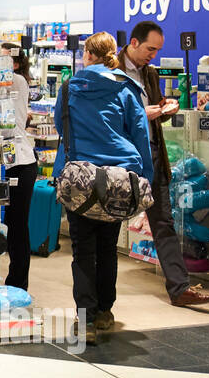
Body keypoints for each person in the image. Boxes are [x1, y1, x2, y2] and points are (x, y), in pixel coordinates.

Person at [53, 32, 156, 344]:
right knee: (107, 247)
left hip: (80, 178)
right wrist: (145, 177)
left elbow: (61, 125)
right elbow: (140, 135)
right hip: (118, 178)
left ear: (87, 55)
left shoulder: (70, 86)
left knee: (82, 249)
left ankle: (85, 319)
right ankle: (104, 312)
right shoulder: (127, 88)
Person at [118, 21, 209, 308]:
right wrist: (141, 114)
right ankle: (100, 300)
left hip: (153, 156)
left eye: (158, 50)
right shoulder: (110, 71)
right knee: (109, 226)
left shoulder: (150, 73)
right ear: (133, 43)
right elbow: (110, 118)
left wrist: (165, 109)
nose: (154, 55)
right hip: (123, 161)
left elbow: (153, 111)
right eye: (150, 49)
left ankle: (180, 288)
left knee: (163, 223)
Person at [1, 45, 38, 289]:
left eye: (1, 60)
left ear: (14, 65)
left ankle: (17, 282)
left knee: (17, 226)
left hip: (20, 163)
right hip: (3, 163)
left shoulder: (16, 81)